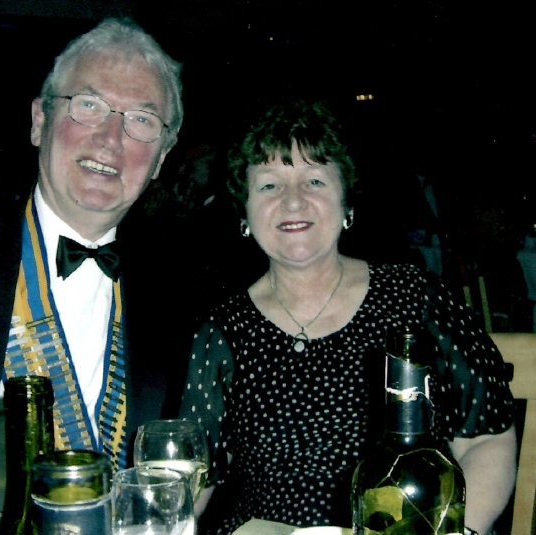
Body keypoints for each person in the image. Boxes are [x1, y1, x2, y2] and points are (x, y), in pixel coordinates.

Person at [0, 17, 191, 535]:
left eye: (141, 120)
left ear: (162, 157)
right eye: (88, 106)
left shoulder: (180, 293)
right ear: (40, 121)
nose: (111, 138)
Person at [180, 98, 517, 535]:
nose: (293, 201)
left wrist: (455, 530)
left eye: (314, 180)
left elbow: (488, 436)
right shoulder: (222, 329)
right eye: (269, 185)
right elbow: (189, 476)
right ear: (244, 213)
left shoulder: (413, 297)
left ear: (346, 203)